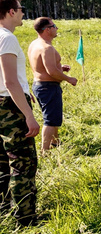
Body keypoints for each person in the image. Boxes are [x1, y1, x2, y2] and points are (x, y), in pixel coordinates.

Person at [0, 0, 40, 226]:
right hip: (9, 107)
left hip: (5, 102)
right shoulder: (6, 38)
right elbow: (10, 81)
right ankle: (25, 218)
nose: (23, 13)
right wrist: (28, 115)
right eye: (20, 8)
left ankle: (5, 210)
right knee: (22, 163)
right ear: (11, 12)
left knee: (3, 162)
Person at [27, 17, 78, 151]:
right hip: (48, 87)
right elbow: (51, 72)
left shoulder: (34, 44)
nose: (56, 28)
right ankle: (45, 151)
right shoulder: (47, 48)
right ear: (47, 30)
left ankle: (55, 144)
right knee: (50, 120)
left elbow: (43, 67)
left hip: (40, 85)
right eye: (54, 26)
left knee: (54, 117)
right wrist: (68, 78)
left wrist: (60, 68)